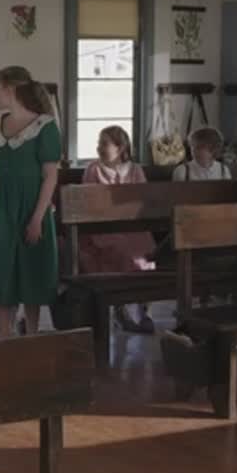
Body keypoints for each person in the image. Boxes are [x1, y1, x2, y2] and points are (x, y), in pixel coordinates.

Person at [0, 66, 60, 338]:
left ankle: (31, 335)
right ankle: (4, 337)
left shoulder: (44, 127)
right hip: (0, 211)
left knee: (31, 271)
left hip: (31, 209)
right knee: (1, 270)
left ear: (10, 89)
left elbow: (50, 176)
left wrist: (37, 218)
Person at [79, 126, 156, 333]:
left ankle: (144, 310)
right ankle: (120, 310)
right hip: (102, 227)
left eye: (104, 143)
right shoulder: (93, 170)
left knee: (145, 250)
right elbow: (89, 202)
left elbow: (142, 199)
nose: (99, 147)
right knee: (120, 250)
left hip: (132, 226)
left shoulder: (135, 170)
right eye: (98, 143)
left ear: (120, 147)